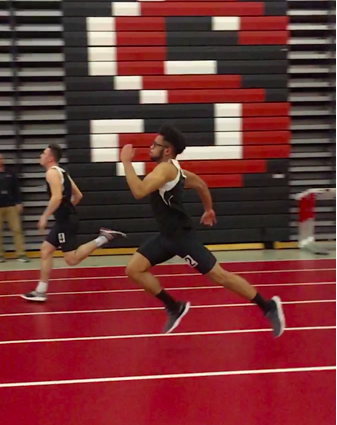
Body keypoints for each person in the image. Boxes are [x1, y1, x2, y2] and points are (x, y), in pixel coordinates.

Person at [120, 123, 285, 337]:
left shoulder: (165, 169)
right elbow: (201, 185)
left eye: (155, 144)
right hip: (166, 237)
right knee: (134, 269)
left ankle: (268, 306)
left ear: (167, 150)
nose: (150, 148)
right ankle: (174, 307)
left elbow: (139, 191)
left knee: (220, 276)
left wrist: (126, 161)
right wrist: (208, 209)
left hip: (181, 238)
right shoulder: (178, 171)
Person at [22, 144, 126, 302]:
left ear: (50, 157)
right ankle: (40, 291)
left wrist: (45, 216)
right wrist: (66, 210)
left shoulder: (51, 173)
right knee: (45, 250)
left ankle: (104, 238)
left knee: (71, 259)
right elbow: (78, 195)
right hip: (65, 219)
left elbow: (56, 197)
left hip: (65, 222)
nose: (40, 156)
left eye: (43, 153)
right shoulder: (62, 172)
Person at [0, 152, 29, 263]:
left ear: (3, 160)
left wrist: (19, 202)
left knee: (17, 230)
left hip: (11, 205)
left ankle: (21, 254)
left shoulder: (10, 173)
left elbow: (16, 189)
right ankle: (0, 255)